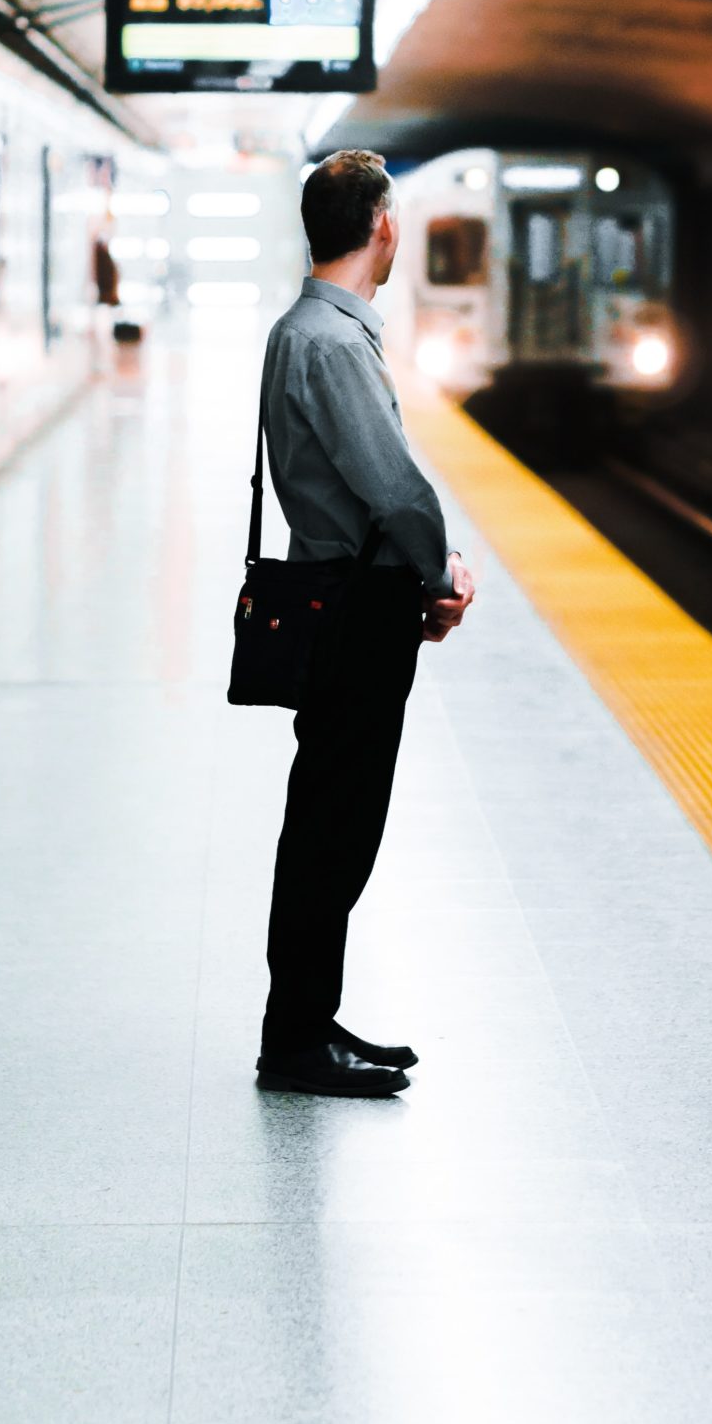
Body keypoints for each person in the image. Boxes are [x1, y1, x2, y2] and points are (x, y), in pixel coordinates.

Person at [254, 148, 476, 1098]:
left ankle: (308, 1020)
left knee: (330, 819)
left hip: (336, 593)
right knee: (336, 825)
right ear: (382, 225)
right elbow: (391, 485)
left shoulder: (304, 329)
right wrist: (443, 569)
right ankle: (298, 1042)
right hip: (356, 605)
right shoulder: (334, 343)